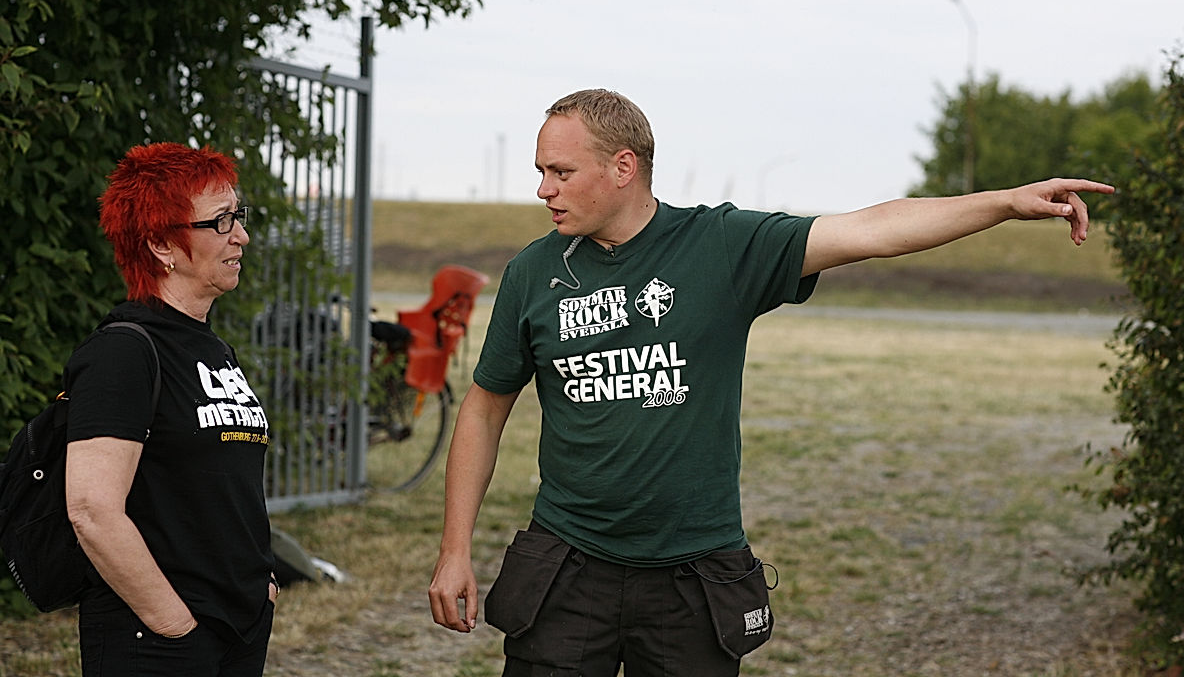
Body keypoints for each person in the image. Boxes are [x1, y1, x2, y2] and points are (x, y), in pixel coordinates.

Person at [428, 88, 1115, 676]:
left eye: (559, 170)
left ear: (622, 167)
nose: (542, 188)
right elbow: (486, 408)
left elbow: (872, 229)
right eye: (540, 170)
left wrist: (1002, 202)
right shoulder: (532, 273)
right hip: (568, 566)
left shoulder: (721, 248)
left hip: (691, 577)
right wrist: (455, 549)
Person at [64, 142, 277, 677]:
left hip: (238, 626)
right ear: (161, 243)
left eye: (238, 216)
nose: (241, 236)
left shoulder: (212, 348)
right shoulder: (124, 352)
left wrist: (260, 586)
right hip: (162, 640)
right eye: (220, 222)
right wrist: (173, 623)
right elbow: (91, 509)